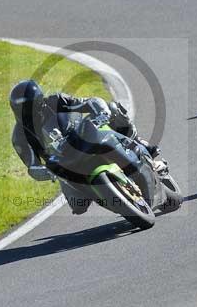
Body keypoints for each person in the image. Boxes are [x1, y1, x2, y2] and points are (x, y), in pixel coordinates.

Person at [9, 80, 157, 214]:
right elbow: (32, 166)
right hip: (64, 162)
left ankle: (139, 142)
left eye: (28, 107)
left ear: (39, 102)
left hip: (84, 136)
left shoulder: (55, 101)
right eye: (21, 108)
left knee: (113, 110)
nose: (26, 112)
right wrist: (48, 171)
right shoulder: (19, 136)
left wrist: (102, 112)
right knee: (77, 205)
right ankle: (113, 198)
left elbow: (88, 102)